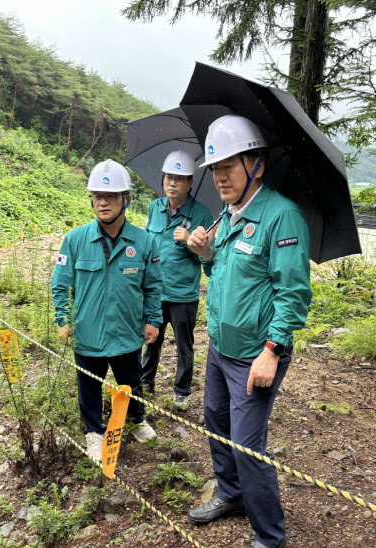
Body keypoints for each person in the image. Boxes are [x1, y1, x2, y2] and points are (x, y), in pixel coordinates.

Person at [185, 115, 312, 548]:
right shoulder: (228, 215)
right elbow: (224, 272)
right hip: (221, 347)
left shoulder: (282, 217)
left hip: (256, 354)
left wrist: (273, 350)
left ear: (255, 163)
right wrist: (205, 254)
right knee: (216, 423)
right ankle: (231, 494)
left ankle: (269, 535)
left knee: (247, 445)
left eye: (229, 166)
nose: (220, 177)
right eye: (215, 169)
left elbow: (293, 293)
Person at [51, 159, 161, 463]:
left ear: (125, 199)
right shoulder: (74, 240)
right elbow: (60, 285)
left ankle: (136, 420)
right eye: (97, 196)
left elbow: (153, 286)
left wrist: (153, 319)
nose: (103, 202)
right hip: (87, 331)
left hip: (127, 330)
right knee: (88, 385)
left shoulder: (144, 241)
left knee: (131, 379)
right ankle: (94, 432)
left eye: (110, 196)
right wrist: (63, 319)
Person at [141, 150, 213, 410]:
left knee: (185, 346)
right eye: (169, 177)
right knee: (151, 340)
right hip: (156, 292)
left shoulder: (203, 215)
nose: (172, 183)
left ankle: (181, 391)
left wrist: (189, 242)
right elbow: (149, 244)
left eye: (179, 179)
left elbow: (207, 258)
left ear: (190, 183)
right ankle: (145, 383)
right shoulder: (154, 207)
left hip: (183, 294)